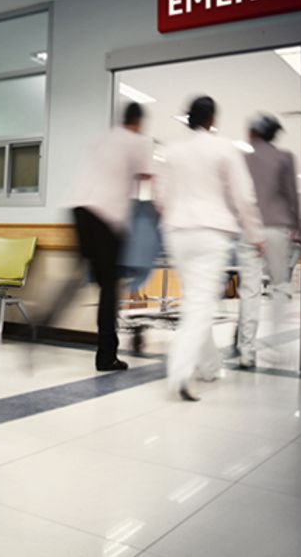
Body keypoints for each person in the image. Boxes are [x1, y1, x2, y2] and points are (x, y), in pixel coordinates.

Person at [155, 96, 264, 402]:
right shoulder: (224, 148)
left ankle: (209, 367)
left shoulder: (170, 151)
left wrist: (175, 215)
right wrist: (255, 233)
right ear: (212, 119)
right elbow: (244, 196)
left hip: (176, 232)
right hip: (211, 232)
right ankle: (180, 372)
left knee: (194, 301)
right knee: (200, 305)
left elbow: (159, 197)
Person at [36, 101, 153, 371]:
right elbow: (147, 178)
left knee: (77, 278)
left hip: (78, 211)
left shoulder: (100, 140)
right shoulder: (138, 141)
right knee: (109, 288)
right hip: (106, 217)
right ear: (138, 122)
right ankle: (106, 355)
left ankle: (41, 323)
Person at [234, 113, 299, 369]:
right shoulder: (284, 158)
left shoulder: (243, 159)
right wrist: (299, 228)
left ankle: (246, 351)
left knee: (249, 289)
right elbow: (291, 196)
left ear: (254, 133)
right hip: (276, 228)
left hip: (248, 229)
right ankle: (277, 347)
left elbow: (238, 196)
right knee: (280, 286)